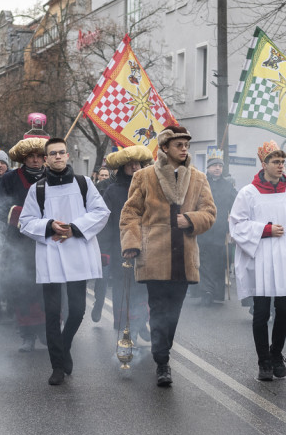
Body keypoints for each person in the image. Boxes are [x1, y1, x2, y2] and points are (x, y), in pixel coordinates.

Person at [120, 125, 217, 387]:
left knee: (173, 312)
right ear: (164, 148)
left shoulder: (198, 178)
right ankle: (162, 362)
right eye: (178, 145)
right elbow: (130, 214)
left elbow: (209, 212)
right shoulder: (144, 176)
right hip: (154, 255)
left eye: (186, 145)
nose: (184, 149)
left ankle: (163, 351)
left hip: (184, 258)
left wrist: (190, 219)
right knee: (159, 308)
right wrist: (131, 242)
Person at [18, 137, 109, 385]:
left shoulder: (84, 184)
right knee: (52, 313)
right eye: (53, 153)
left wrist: (74, 228)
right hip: (51, 254)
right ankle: (57, 366)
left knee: (78, 310)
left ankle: (64, 345)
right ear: (46, 159)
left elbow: (101, 213)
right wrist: (49, 225)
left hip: (77, 251)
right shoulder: (37, 189)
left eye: (62, 152)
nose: (58, 156)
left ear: (68, 156)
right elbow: (25, 222)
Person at [229, 141, 286, 380]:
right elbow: (236, 225)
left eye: (282, 162)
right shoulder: (248, 193)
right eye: (275, 162)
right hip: (261, 261)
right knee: (261, 313)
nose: (280, 166)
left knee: (285, 311)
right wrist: (265, 229)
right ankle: (264, 361)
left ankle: (277, 355)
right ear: (263, 164)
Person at [0, 137, 48, 350]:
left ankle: (48, 331)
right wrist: (19, 215)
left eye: (39, 156)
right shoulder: (10, 178)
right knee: (23, 286)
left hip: (47, 240)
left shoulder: (53, 176)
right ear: (23, 158)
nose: (35, 160)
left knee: (47, 286)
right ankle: (27, 334)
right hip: (19, 242)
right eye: (31, 156)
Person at [102, 144, 153, 336]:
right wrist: (104, 251)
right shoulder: (112, 191)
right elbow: (106, 223)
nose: (134, 167)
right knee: (123, 290)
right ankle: (126, 328)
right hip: (120, 249)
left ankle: (141, 322)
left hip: (147, 247)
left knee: (144, 289)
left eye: (137, 163)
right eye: (130, 164)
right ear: (122, 167)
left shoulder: (150, 188)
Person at [200, 149, 238, 305]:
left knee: (218, 261)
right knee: (204, 261)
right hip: (203, 228)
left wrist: (232, 225)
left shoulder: (228, 186)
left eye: (220, 166)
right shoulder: (201, 183)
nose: (217, 168)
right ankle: (206, 291)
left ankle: (216, 292)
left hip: (220, 228)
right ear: (208, 168)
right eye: (214, 165)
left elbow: (236, 206)